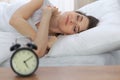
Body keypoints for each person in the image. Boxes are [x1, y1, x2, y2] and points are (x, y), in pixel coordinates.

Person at [0, 0, 99, 57]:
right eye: (78, 17)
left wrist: (46, 17)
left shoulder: (51, 41)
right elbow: (14, 20)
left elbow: (37, 52)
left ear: (68, 34)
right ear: (73, 11)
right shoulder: (42, 3)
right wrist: (42, 41)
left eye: (75, 28)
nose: (72, 21)